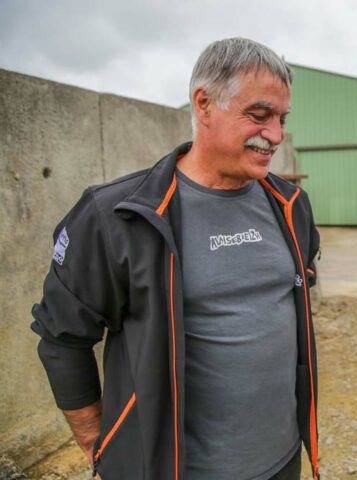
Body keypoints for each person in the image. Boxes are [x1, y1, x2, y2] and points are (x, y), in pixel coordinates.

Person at [31, 37, 320, 480]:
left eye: (282, 119)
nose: (276, 136)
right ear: (204, 104)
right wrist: (99, 445)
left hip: (282, 461)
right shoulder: (117, 217)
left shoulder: (291, 205)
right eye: (259, 116)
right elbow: (61, 339)